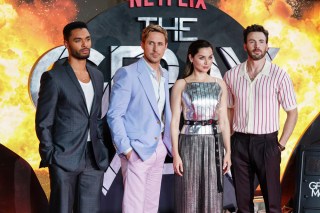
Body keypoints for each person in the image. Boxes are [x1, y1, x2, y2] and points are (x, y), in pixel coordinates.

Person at [35, 21, 109, 213]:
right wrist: (50, 155)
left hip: (93, 157)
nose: (85, 44)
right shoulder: (54, 77)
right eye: (78, 40)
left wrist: (101, 146)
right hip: (63, 155)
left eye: (87, 39)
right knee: (62, 209)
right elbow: (44, 121)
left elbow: (96, 117)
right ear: (66, 43)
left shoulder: (98, 75)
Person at [223, 24, 298, 213]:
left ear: (267, 46)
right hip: (239, 143)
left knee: (273, 202)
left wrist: (280, 144)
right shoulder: (231, 75)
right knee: (243, 202)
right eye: (252, 41)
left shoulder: (279, 75)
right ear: (245, 45)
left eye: (261, 42)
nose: (257, 45)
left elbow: (292, 113)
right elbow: (230, 109)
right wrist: (231, 140)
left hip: (267, 143)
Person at [107, 24, 172, 213]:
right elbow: (114, 114)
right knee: (134, 207)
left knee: (151, 205)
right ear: (142, 44)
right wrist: (127, 149)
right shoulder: (128, 73)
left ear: (165, 47)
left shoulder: (165, 74)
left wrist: (164, 145)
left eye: (160, 44)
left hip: (158, 147)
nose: (155, 48)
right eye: (151, 43)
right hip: (136, 149)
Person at [171, 39, 232, 213]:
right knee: (188, 194)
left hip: (214, 142)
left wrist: (228, 151)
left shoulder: (219, 84)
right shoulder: (181, 84)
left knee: (213, 194)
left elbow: (224, 120)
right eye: (202, 58)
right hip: (188, 143)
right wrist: (176, 154)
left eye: (210, 58)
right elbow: (175, 122)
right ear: (191, 58)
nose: (207, 62)